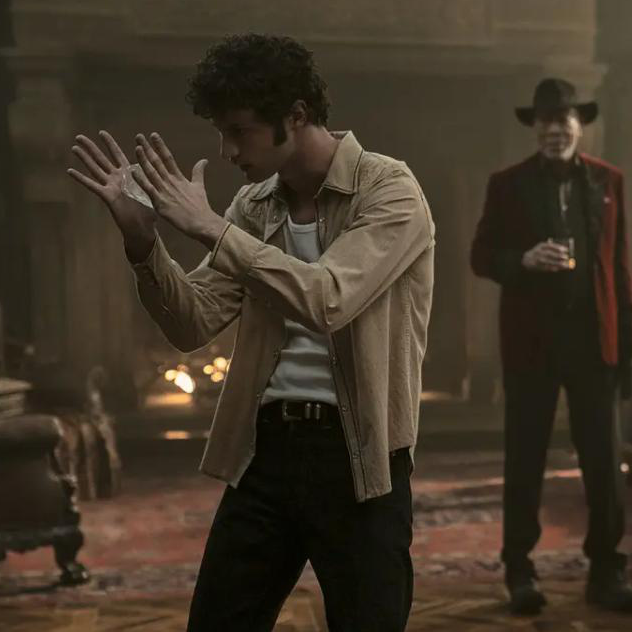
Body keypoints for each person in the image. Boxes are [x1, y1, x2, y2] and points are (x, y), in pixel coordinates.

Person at [66, 33, 435, 631]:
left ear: (296, 114)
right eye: (221, 132)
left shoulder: (389, 189)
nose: (228, 150)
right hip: (266, 451)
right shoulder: (253, 207)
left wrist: (212, 229)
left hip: (362, 459)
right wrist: (143, 242)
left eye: (239, 131)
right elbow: (193, 322)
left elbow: (328, 298)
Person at [470, 78, 632, 615]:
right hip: (532, 343)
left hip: (595, 343)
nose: (554, 130)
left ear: (579, 125)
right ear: (535, 128)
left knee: (603, 463)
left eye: (563, 120)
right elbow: (480, 256)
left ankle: (607, 570)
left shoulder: (609, 181)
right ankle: (519, 570)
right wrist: (522, 260)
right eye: (545, 121)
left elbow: (619, 265)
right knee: (525, 458)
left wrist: (628, 340)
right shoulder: (507, 184)